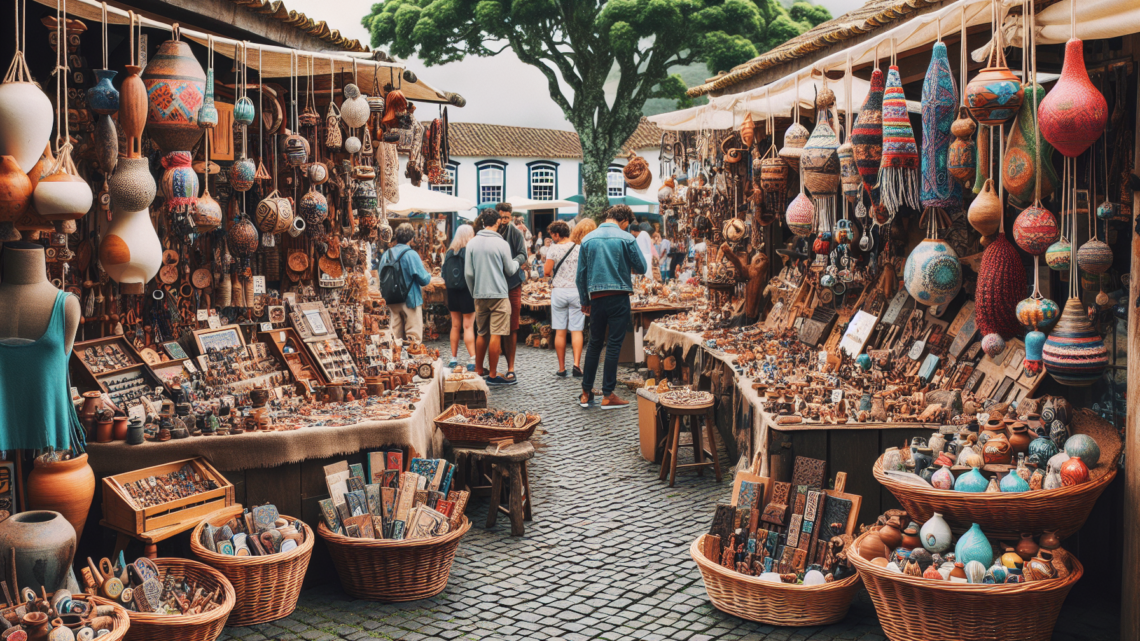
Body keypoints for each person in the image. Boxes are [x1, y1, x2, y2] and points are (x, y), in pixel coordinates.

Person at [575, 205, 646, 409]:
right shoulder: (626, 238)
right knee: (614, 345)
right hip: (619, 297)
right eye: (627, 224)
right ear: (624, 221)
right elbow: (641, 267)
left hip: (596, 298)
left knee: (595, 344)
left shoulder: (588, 239)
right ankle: (608, 395)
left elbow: (581, 275)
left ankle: (586, 393)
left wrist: (584, 300)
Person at [465, 210, 520, 385]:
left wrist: (475, 292)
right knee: (496, 334)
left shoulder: (472, 243)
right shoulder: (501, 243)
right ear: (497, 222)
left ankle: (479, 370)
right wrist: (518, 261)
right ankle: (494, 375)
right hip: (499, 294)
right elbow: (510, 270)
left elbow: (468, 273)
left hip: (480, 295)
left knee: (481, 333)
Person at [378, 223, 432, 343]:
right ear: (411, 238)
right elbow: (424, 280)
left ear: (396, 237)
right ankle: (413, 360)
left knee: (395, 339)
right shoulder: (411, 255)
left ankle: (397, 360)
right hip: (410, 301)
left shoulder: (386, 254)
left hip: (391, 300)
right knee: (413, 338)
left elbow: (380, 275)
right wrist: (429, 274)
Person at [544, 220, 583, 377]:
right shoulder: (579, 248)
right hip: (576, 291)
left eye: (552, 235)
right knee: (576, 330)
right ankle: (576, 365)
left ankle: (561, 368)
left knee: (560, 332)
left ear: (556, 234)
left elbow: (547, 271)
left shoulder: (553, 249)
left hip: (559, 291)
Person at [496, 202, 528, 383]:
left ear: (511, 217)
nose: (503, 221)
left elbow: (523, 254)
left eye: (507, 217)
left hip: (512, 283)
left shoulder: (515, 233)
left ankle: (511, 367)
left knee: (512, 326)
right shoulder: (491, 231)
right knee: (494, 327)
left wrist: (512, 264)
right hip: (494, 285)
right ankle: (491, 367)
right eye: (501, 217)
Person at [443, 225, 476, 370]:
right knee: (468, 326)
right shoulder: (469, 251)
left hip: (452, 291)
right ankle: (472, 358)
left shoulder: (449, 253)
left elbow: (444, 274)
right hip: (466, 290)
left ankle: (453, 358)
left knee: (455, 325)